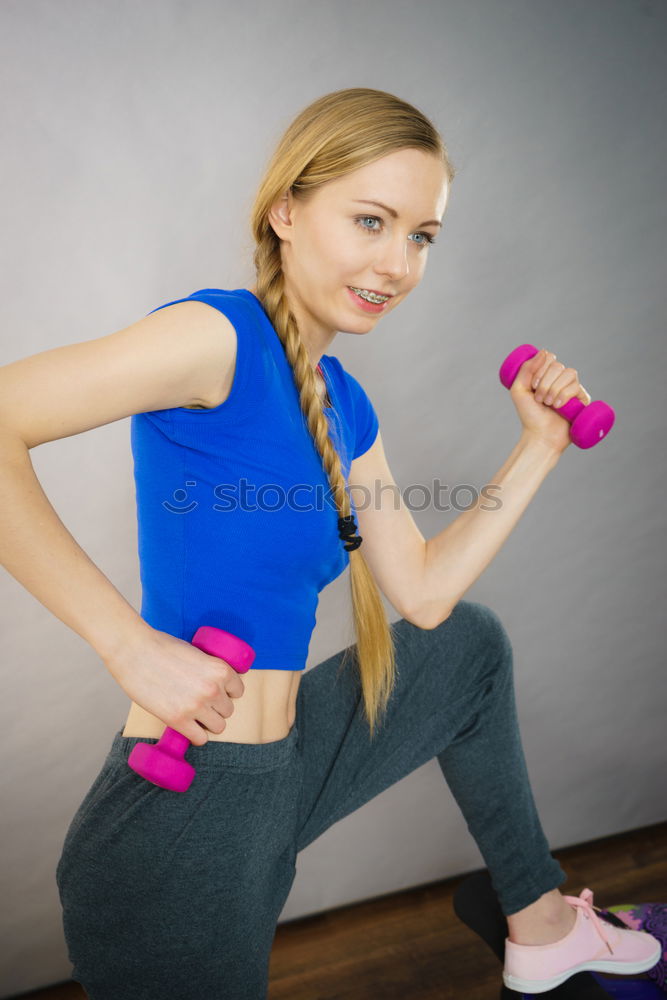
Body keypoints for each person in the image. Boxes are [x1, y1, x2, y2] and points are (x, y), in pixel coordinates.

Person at [0, 87, 659, 999]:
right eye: (370, 221)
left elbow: (422, 594)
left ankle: (542, 925)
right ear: (286, 211)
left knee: (465, 646)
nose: (396, 263)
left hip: (283, 775)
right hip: (180, 822)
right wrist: (128, 646)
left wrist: (538, 447)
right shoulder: (215, 336)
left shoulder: (343, 404)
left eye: (420, 235)